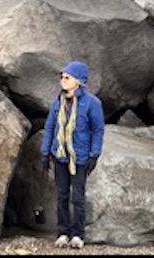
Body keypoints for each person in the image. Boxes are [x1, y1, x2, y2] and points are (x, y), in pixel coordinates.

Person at [40, 61, 105, 250]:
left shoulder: (92, 103)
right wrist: (45, 153)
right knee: (61, 195)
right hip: (59, 156)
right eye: (62, 77)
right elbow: (50, 127)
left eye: (67, 77)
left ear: (78, 81)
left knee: (77, 197)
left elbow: (97, 130)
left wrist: (95, 154)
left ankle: (77, 234)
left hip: (80, 158)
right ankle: (62, 233)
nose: (63, 80)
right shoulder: (57, 102)